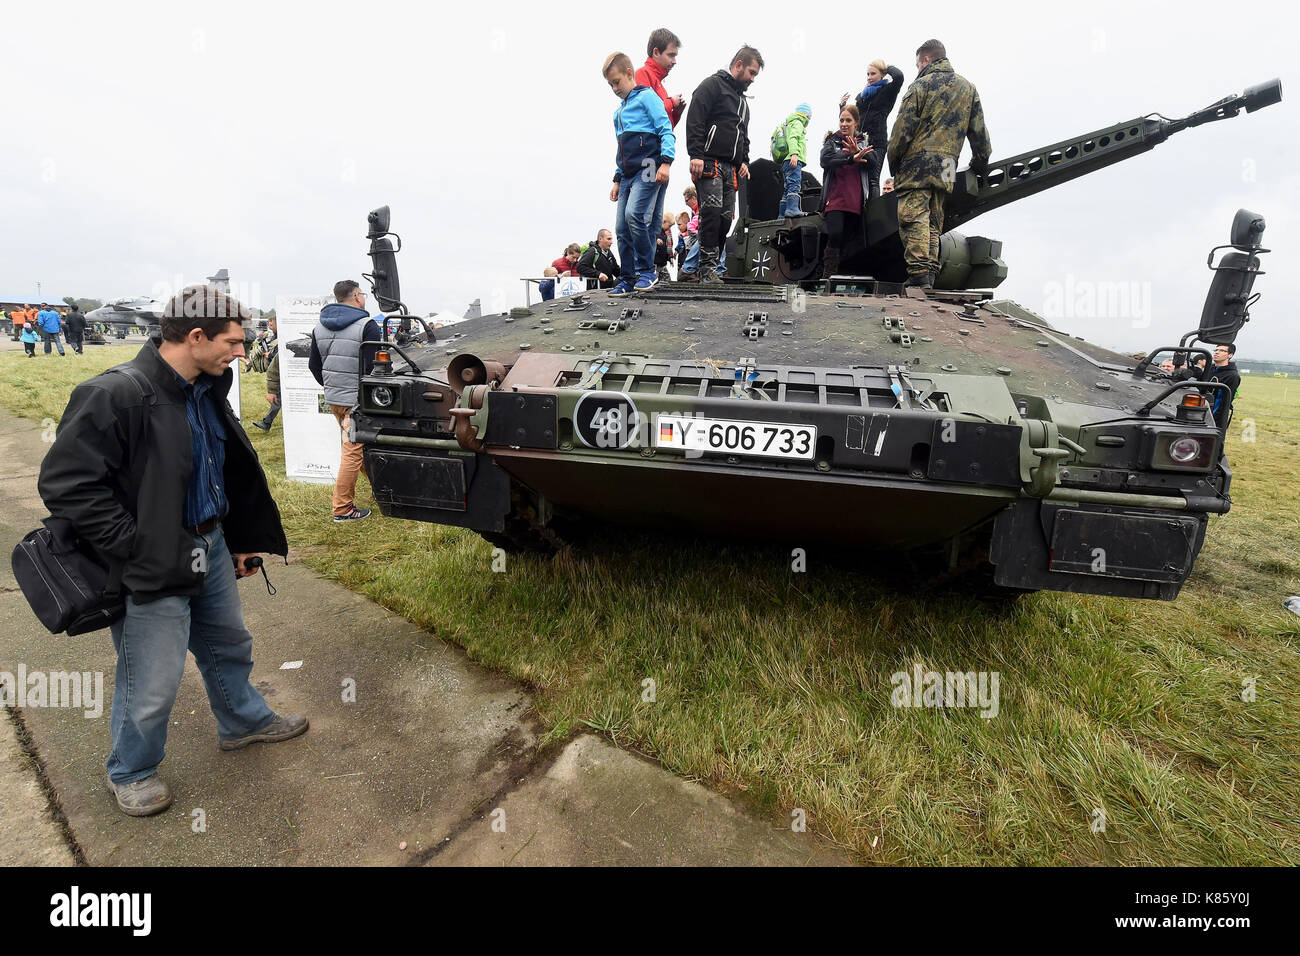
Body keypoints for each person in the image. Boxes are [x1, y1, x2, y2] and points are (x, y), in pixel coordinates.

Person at [37, 284, 303, 817]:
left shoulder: (207, 387)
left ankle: (243, 722)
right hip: (149, 560)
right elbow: (68, 484)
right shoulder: (114, 394)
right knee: (152, 678)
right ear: (196, 336)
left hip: (209, 544)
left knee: (228, 644)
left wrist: (238, 542)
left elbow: (219, 472)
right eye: (233, 341)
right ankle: (131, 770)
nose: (241, 353)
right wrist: (134, 549)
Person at [887, 39, 991, 288]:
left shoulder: (919, 86)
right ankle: (929, 275)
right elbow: (980, 138)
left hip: (917, 164)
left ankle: (919, 276)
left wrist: (894, 162)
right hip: (947, 166)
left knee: (914, 218)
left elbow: (901, 132)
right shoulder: (969, 88)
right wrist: (980, 165)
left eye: (917, 63)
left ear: (926, 59)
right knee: (934, 220)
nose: (917, 69)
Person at [686, 45, 762, 283]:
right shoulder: (712, 85)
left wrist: (745, 161)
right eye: (751, 72)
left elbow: (744, 135)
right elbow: (695, 118)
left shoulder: (743, 103)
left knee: (724, 220)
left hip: (732, 169)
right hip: (709, 161)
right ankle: (706, 270)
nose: (752, 78)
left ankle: (711, 267)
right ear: (738, 65)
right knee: (710, 215)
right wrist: (696, 154)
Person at [308, 280, 381, 522]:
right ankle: (342, 508)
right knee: (352, 452)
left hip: (335, 398)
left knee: (357, 446)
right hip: (357, 400)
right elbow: (375, 368)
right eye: (363, 294)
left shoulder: (320, 326)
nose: (364, 298)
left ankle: (380, 489)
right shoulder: (367, 325)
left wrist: (332, 386)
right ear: (356, 296)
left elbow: (314, 365)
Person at [604, 51, 675, 295]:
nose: (614, 88)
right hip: (627, 174)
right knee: (621, 227)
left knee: (635, 214)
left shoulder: (647, 97)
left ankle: (647, 270)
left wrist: (666, 162)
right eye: (610, 84)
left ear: (629, 74)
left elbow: (666, 129)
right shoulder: (618, 113)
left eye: (617, 82)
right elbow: (621, 149)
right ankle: (627, 277)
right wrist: (616, 178)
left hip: (649, 166)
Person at [636, 28, 687, 271]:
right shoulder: (643, 75)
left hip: (660, 157)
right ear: (656, 52)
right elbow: (649, 113)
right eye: (671, 55)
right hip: (648, 159)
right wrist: (670, 104)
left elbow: (664, 123)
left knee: (655, 217)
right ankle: (641, 269)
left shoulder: (658, 82)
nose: (674, 61)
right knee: (644, 215)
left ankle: (646, 270)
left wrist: (676, 111)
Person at [819, 105, 874, 278]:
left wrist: (857, 151)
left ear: (856, 122)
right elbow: (825, 159)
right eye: (842, 120)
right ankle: (828, 274)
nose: (844, 124)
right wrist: (851, 158)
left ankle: (842, 274)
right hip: (835, 198)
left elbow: (873, 162)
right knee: (835, 234)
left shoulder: (863, 143)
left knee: (850, 240)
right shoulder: (832, 141)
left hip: (855, 200)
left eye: (848, 120)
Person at [842, 60, 905, 196]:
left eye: (873, 73)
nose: (869, 77)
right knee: (857, 179)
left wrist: (887, 67)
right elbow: (852, 120)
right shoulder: (862, 96)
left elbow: (899, 76)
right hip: (860, 142)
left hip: (877, 142)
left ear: (882, 74)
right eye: (868, 74)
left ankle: (873, 214)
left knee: (873, 179)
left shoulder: (887, 90)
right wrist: (842, 107)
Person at [678, 185, 728, 279]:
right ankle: (689, 268)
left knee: (716, 236)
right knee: (707, 236)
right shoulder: (697, 210)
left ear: (693, 198)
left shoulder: (701, 208)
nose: (686, 203)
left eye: (686, 200)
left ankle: (718, 269)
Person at [771, 103, 812, 216]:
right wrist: (795, 154)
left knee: (787, 187)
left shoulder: (789, 123)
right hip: (793, 159)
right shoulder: (798, 123)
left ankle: (782, 214)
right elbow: (793, 138)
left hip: (786, 161)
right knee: (794, 184)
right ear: (806, 115)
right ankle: (792, 209)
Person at [250, 315, 281, 431]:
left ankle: (266, 423)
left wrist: (270, 355)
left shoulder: (282, 337)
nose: (269, 327)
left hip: (280, 372)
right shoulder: (275, 336)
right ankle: (266, 422)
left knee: (278, 398)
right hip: (279, 372)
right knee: (279, 398)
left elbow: (279, 354)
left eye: (271, 325)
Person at [1205, 343, 1241, 429]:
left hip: (1213, 419)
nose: (1217, 352)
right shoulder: (1209, 369)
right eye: (1216, 350)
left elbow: (1223, 402)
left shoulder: (1232, 376)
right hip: (1199, 413)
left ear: (1230, 355)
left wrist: (1211, 421)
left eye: (1222, 350)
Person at [655, 213, 676, 281]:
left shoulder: (665, 234)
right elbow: (649, 238)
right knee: (655, 278)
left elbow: (666, 247)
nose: (669, 228)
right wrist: (656, 240)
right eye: (669, 226)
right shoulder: (655, 230)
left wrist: (669, 257)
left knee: (667, 279)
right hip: (655, 262)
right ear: (664, 221)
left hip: (662, 262)